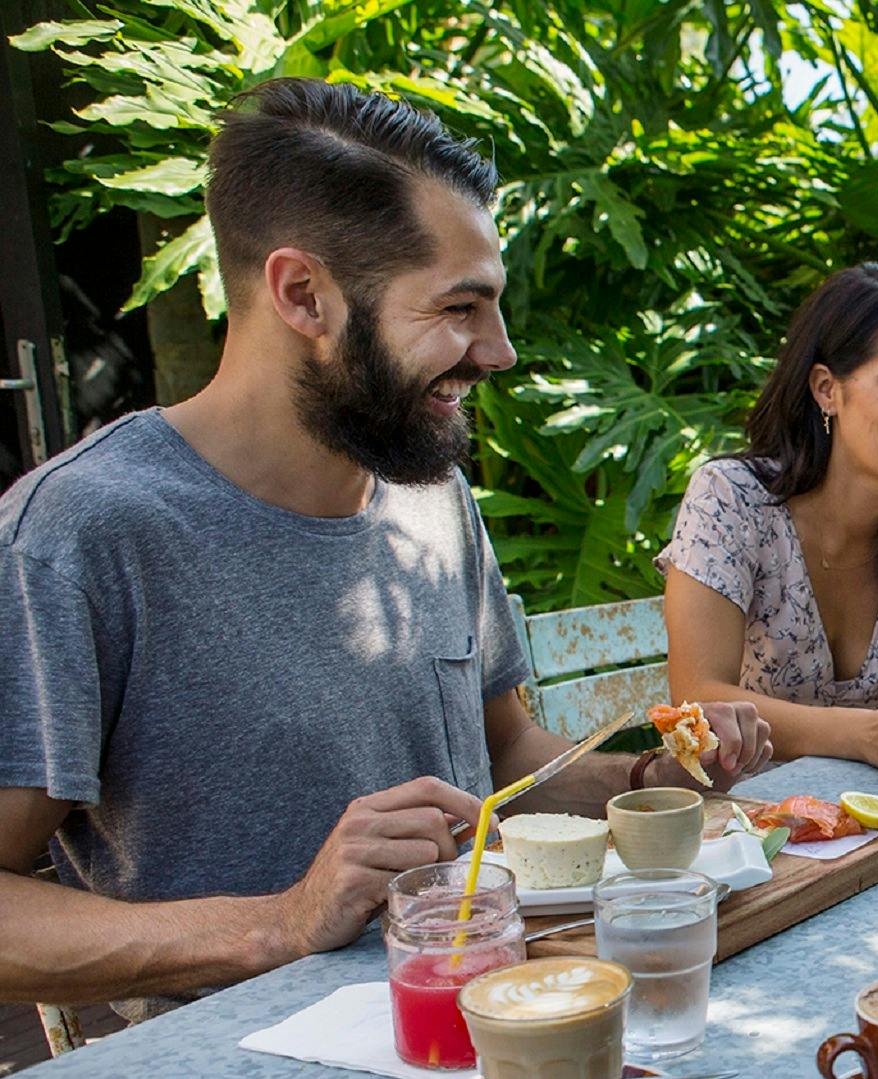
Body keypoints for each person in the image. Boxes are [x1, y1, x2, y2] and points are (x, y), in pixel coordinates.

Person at [0, 80, 769, 1020]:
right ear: (303, 295)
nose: (500, 352)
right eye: (459, 307)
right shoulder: (81, 534)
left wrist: (641, 781)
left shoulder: (430, 494)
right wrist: (280, 923)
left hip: (498, 1031)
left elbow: (504, 757)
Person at [659, 264, 878, 778]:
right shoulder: (731, 500)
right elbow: (698, 697)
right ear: (826, 389)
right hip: (745, 827)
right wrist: (864, 734)